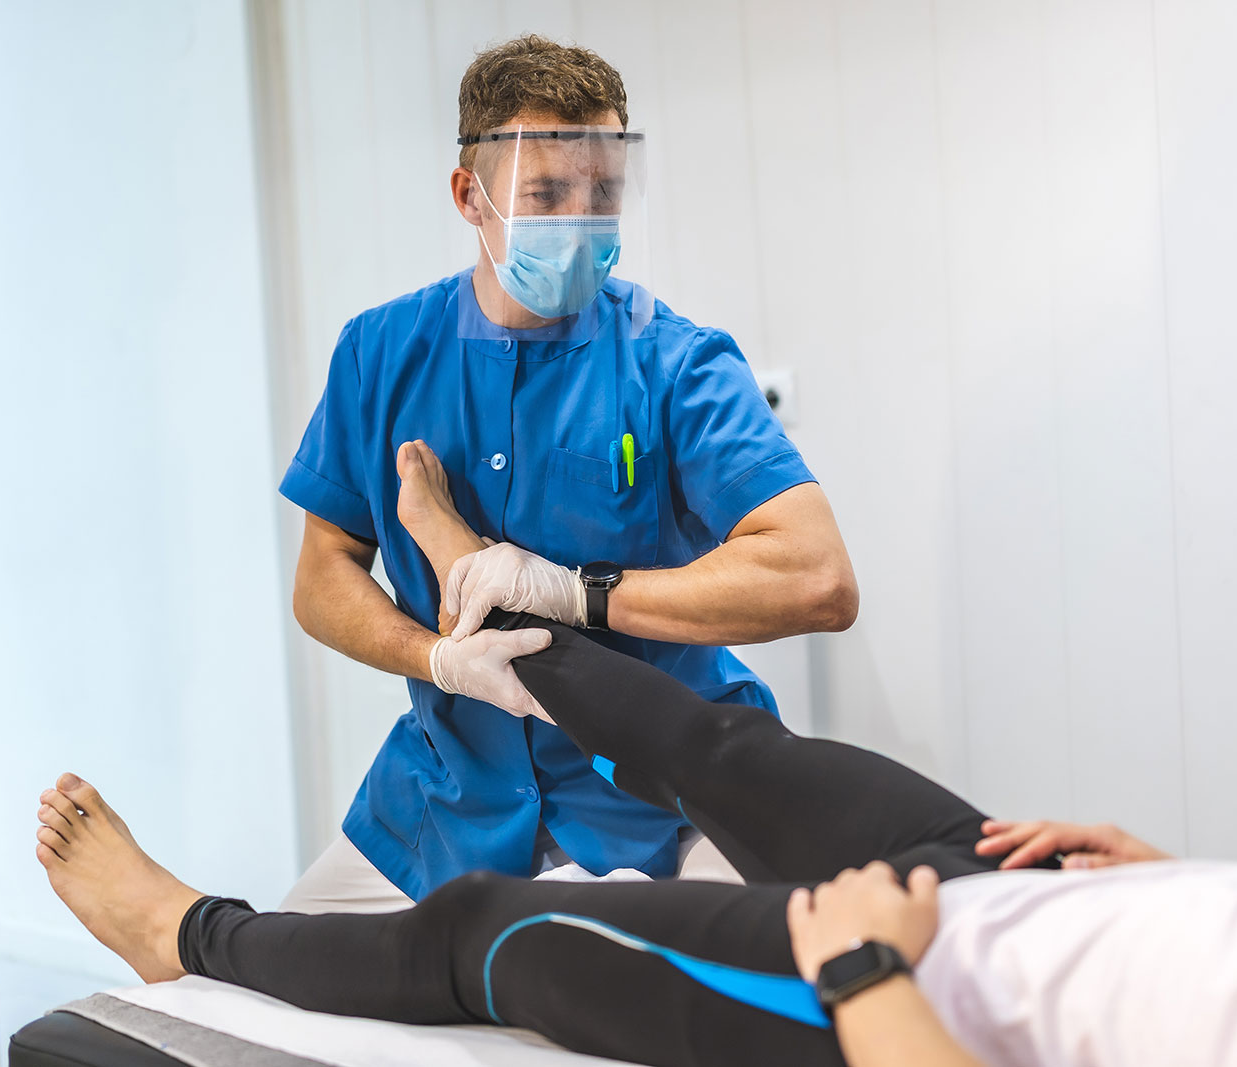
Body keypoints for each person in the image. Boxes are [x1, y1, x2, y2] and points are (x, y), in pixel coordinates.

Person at [35, 454, 1237, 1067]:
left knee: (488, 928)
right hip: (1034, 885)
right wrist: (1172, 881)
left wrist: (869, 971)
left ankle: (185, 929)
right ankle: (475, 575)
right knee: (712, 743)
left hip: (913, 990)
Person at [280, 33, 857, 911]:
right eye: (548, 195)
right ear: (470, 196)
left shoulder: (676, 362)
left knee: (725, 968)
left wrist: (572, 590)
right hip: (450, 799)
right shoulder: (379, 354)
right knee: (280, 963)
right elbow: (322, 573)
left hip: (666, 795)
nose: (583, 222)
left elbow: (819, 578)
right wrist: (437, 658)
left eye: (605, 193)